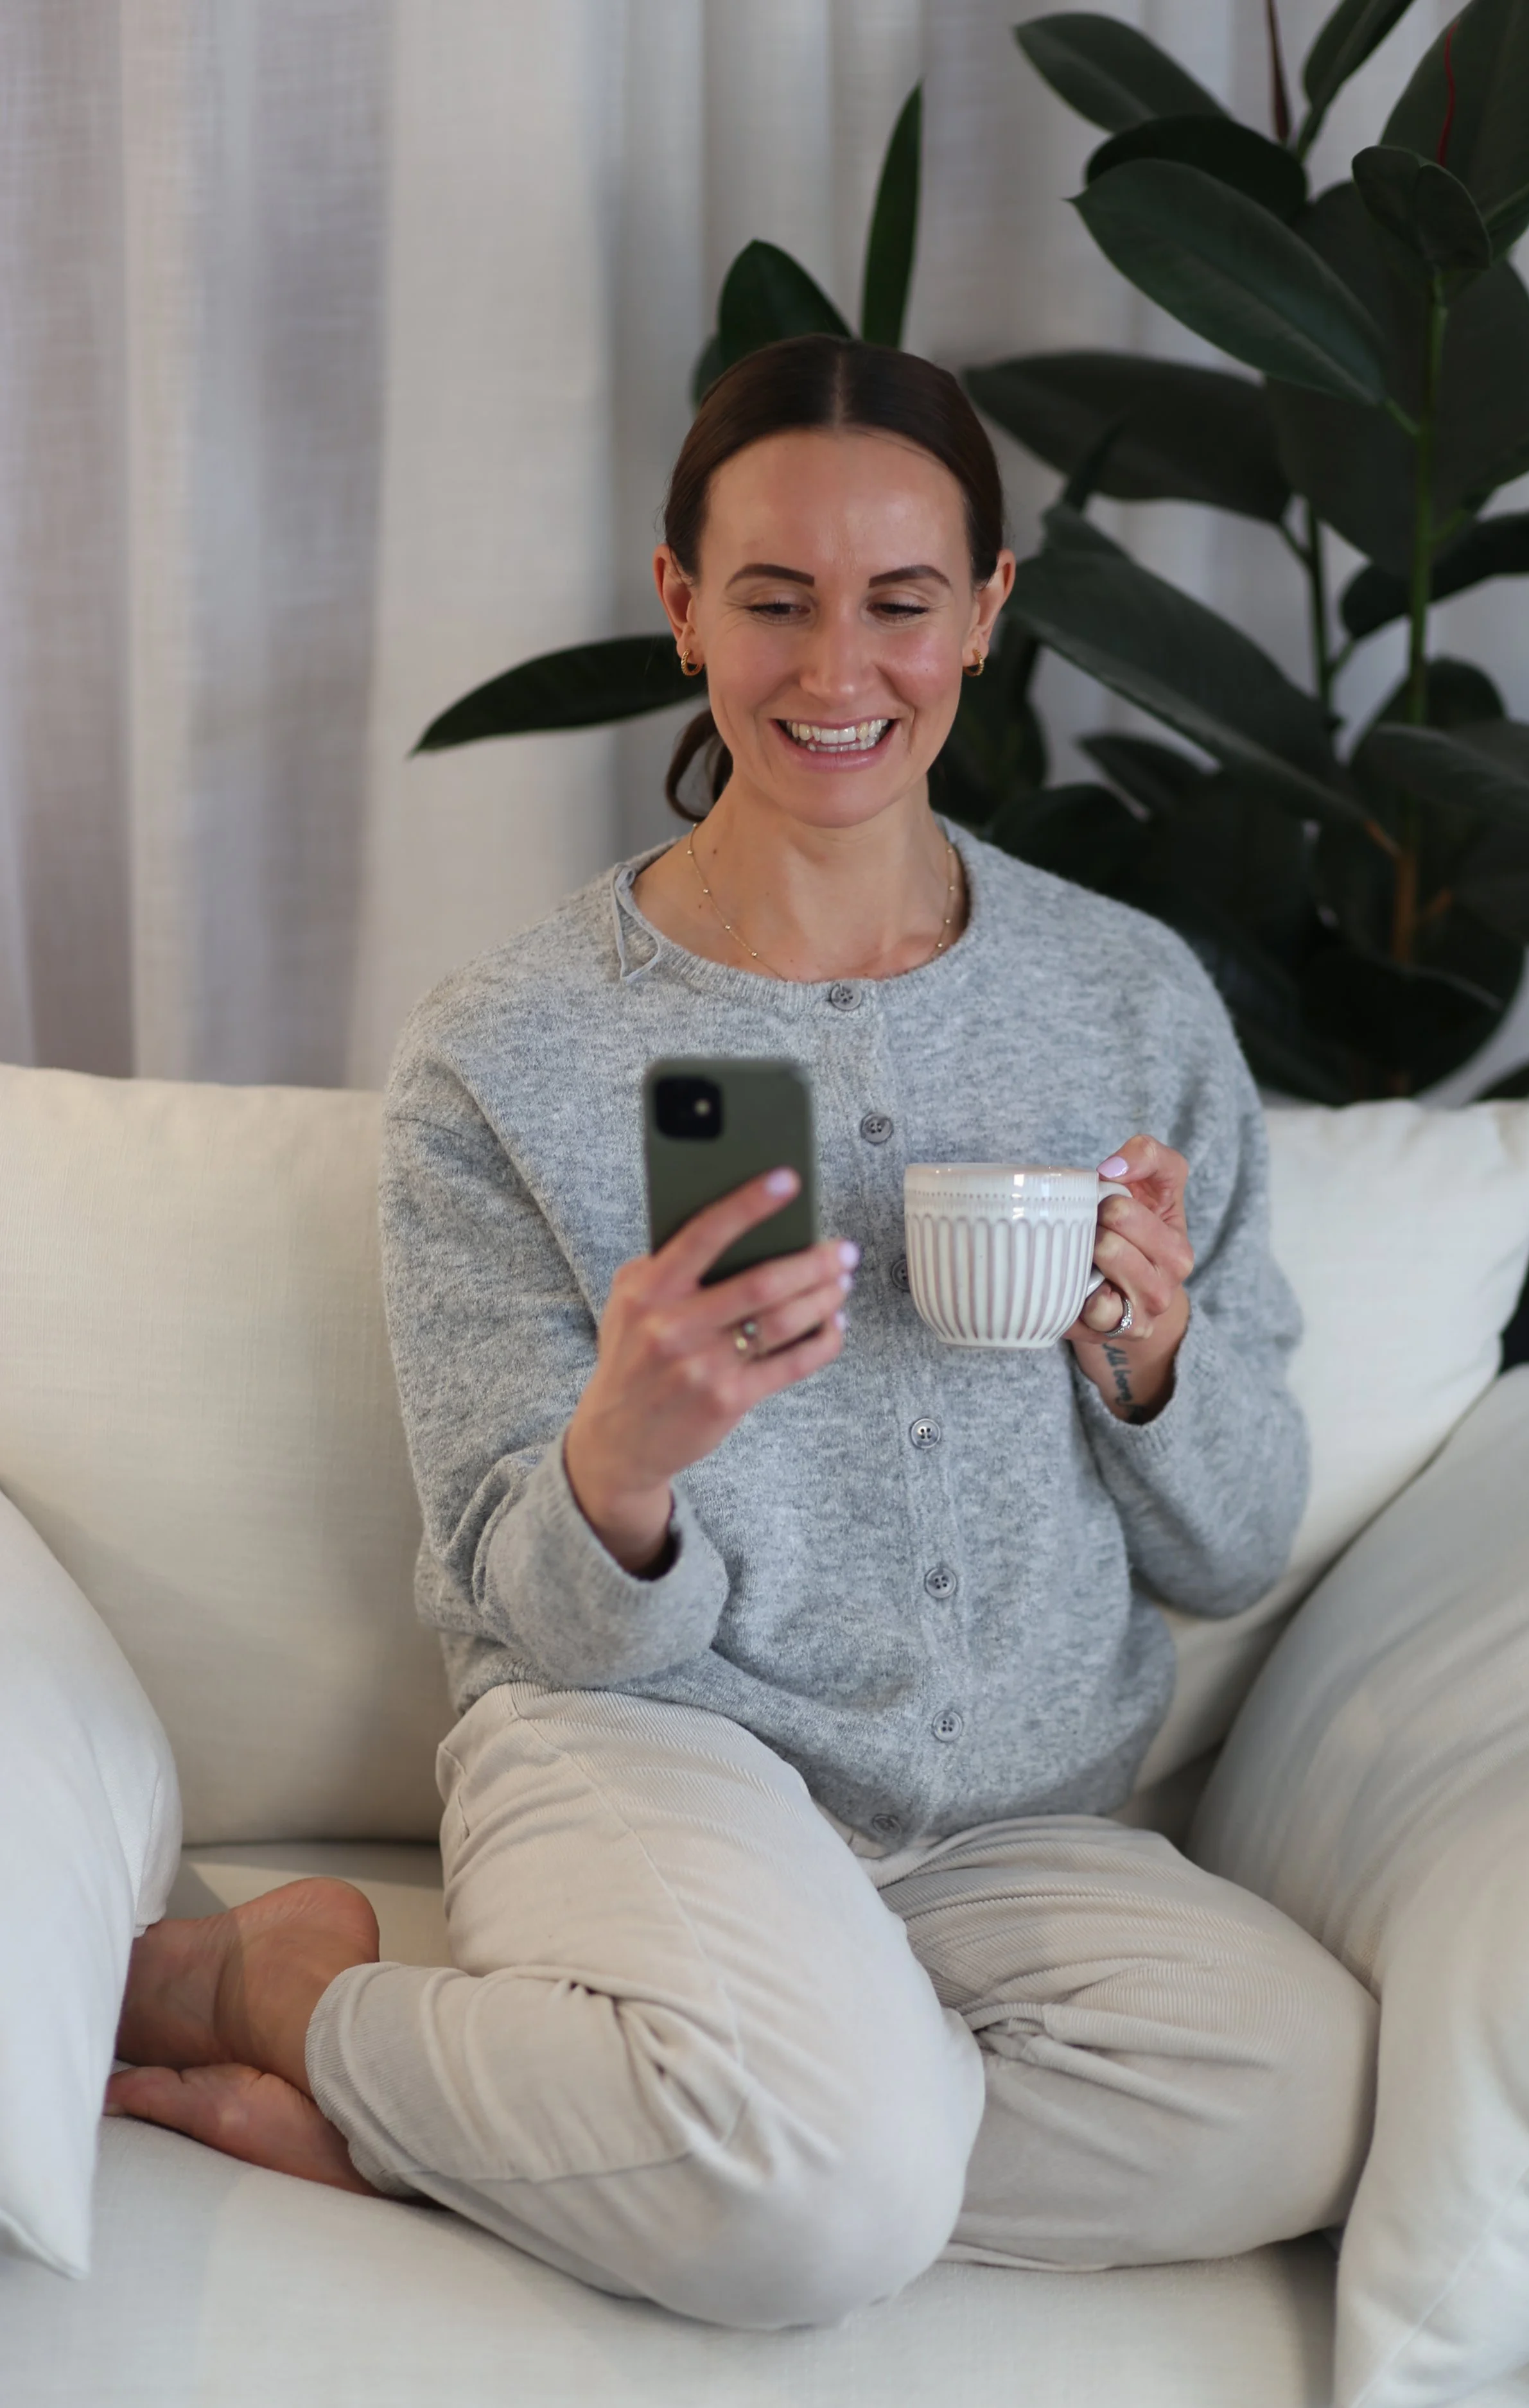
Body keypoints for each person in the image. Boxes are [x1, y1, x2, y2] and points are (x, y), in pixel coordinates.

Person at [109, 333, 1377, 2330]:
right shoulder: (511, 1046)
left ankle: (642, 2105)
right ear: (681, 602)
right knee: (830, 2212)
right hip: (647, 1752)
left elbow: (1233, 1544)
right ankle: (325, 2006)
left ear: (986, 614)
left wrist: (1147, 1364)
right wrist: (623, 1452)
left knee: (1302, 2099)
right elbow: (534, 1621)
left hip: (1008, 1830)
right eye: (774, 599)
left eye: (900, 602)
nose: (836, 667)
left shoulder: (1126, 1001)